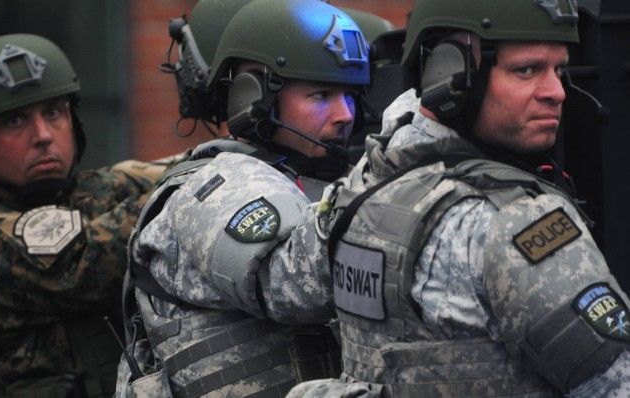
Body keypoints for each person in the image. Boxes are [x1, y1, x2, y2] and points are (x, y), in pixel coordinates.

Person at [287, 0, 630, 396]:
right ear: (449, 72)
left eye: (559, 69)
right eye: (527, 70)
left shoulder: (363, 187)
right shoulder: (517, 220)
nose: (556, 92)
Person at [117, 0, 371, 396]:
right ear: (255, 96)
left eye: (351, 95)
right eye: (321, 94)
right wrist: (388, 175)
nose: (345, 114)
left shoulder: (311, 177)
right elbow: (294, 285)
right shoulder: (214, 186)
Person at [0, 34, 166, 397]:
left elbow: (173, 169)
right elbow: (80, 260)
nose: (43, 135)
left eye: (54, 113)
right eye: (15, 121)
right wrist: (179, 197)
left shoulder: (96, 192)